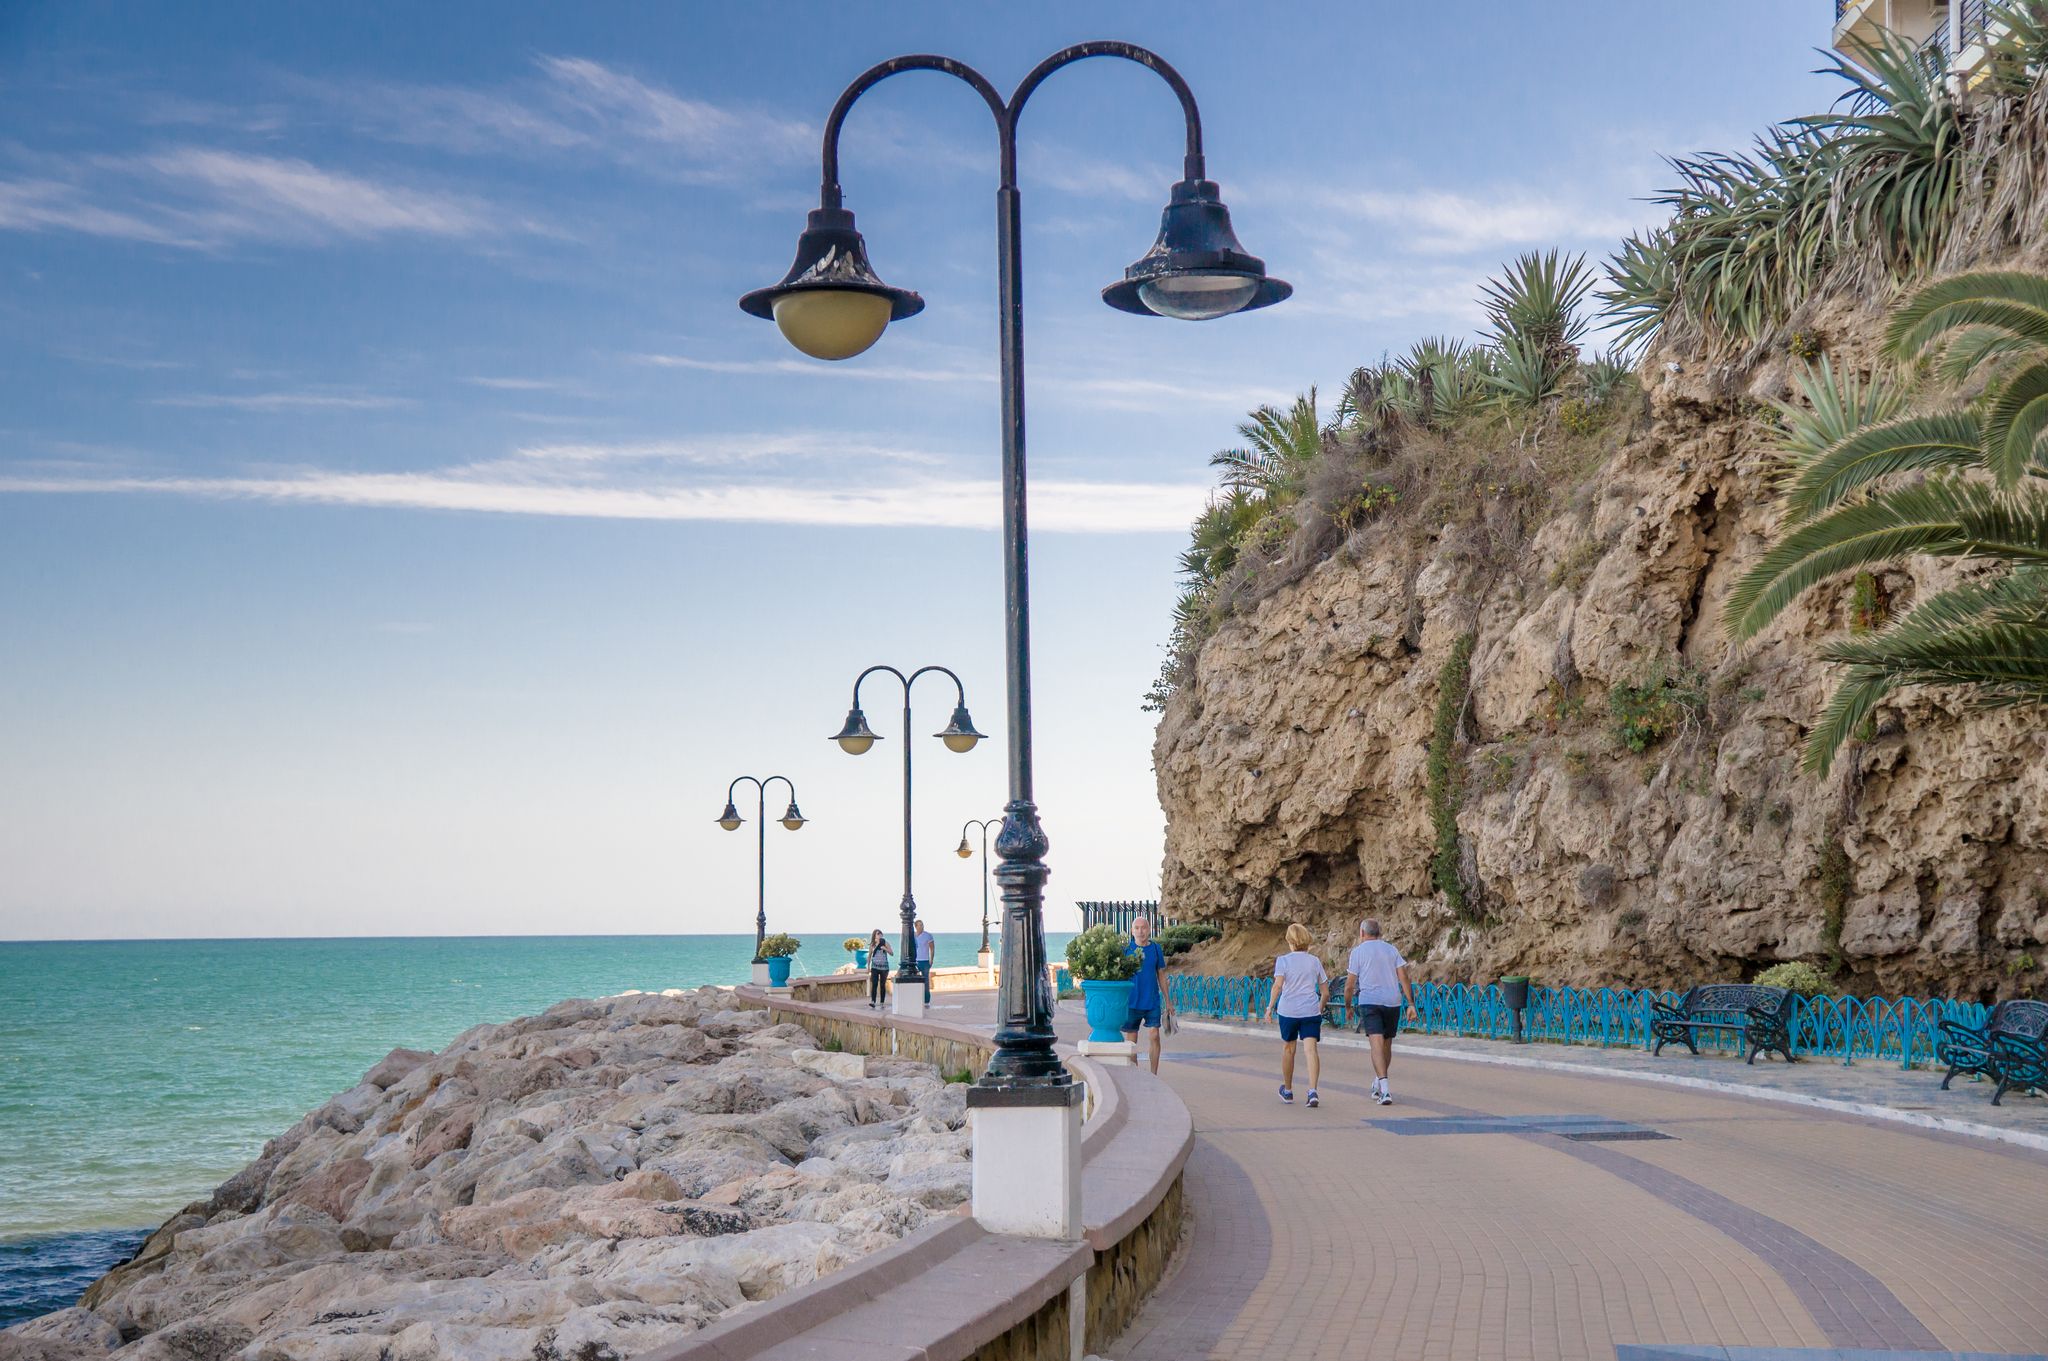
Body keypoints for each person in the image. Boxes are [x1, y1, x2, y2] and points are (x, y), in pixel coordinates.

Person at [1344, 918, 1417, 1106]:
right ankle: (1380, 1082)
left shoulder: (1358, 952)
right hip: (1392, 1001)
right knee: (1386, 1043)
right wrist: (1411, 1004)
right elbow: (1404, 977)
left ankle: (1384, 1089)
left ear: (1361, 933)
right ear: (1379, 932)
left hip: (1369, 1002)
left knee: (1376, 1043)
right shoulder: (1391, 950)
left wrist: (1348, 1006)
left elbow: (1350, 985)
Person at [1264, 923, 1329, 1107]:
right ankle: (1313, 1091)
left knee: (1289, 1049)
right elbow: (1325, 991)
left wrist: (1269, 1007)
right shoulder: (1314, 961)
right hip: (1310, 1010)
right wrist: (1319, 1007)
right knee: (1311, 1050)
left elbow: (1277, 986)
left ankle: (1288, 1090)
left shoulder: (1283, 961)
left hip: (1288, 1011)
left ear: (1290, 941)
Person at [1120, 916, 1172, 1073]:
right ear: (1132, 931)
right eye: (1136, 928)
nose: (1140, 931)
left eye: (1143, 928)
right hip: (1132, 1002)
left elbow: (1161, 974)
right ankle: (1135, 1073)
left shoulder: (1155, 949)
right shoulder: (1126, 950)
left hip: (1152, 1001)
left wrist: (1168, 1001)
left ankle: (1153, 1075)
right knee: (1131, 1041)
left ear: (1149, 930)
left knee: (1155, 1035)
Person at [866, 929, 892, 1009]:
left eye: (881, 933)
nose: (880, 935)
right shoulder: (872, 945)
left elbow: (892, 953)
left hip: (884, 968)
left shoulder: (885, 943)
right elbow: (869, 956)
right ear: (875, 935)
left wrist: (885, 949)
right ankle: (873, 1001)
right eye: (878, 933)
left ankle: (882, 1002)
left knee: (882, 985)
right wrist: (868, 967)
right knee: (874, 984)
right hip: (874, 967)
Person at [913, 919, 936, 1002]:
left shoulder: (928, 935)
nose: (922, 926)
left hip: (925, 961)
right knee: (914, 980)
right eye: (919, 925)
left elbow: (932, 948)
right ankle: (917, 999)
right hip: (915, 962)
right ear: (916, 926)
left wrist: (931, 960)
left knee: (926, 981)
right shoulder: (913, 936)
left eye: (922, 925)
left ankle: (926, 1000)